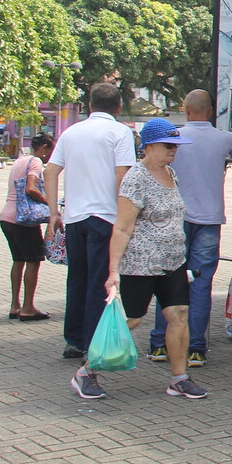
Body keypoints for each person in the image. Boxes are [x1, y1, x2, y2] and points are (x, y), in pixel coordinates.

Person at [70, 118, 208, 400]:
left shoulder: (171, 173)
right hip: (140, 264)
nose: (174, 150)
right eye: (169, 145)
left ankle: (179, 379)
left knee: (179, 314)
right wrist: (113, 272)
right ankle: (85, 372)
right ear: (149, 146)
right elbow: (121, 227)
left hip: (173, 261)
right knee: (129, 320)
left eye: (176, 145)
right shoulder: (135, 178)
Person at [145, 90, 232, 368]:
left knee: (168, 281)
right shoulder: (223, 139)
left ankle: (159, 344)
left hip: (175, 219)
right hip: (209, 220)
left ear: (186, 109)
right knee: (200, 285)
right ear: (211, 109)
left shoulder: (173, 138)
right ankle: (195, 349)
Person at [45, 82, 137, 361]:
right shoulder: (120, 132)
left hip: (74, 218)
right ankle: (93, 343)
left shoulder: (71, 132)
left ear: (89, 106)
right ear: (119, 106)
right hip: (105, 217)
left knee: (77, 278)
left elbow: (50, 172)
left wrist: (53, 213)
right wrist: (126, 215)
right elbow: (123, 176)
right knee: (100, 281)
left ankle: (73, 340)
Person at [0, 133, 55, 321]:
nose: (50, 156)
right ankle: (28, 307)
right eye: (50, 150)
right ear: (44, 148)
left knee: (18, 260)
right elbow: (30, 188)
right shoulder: (36, 162)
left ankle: (15, 305)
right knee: (33, 261)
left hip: (7, 218)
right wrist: (49, 202)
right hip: (23, 220)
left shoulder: (19, 161)